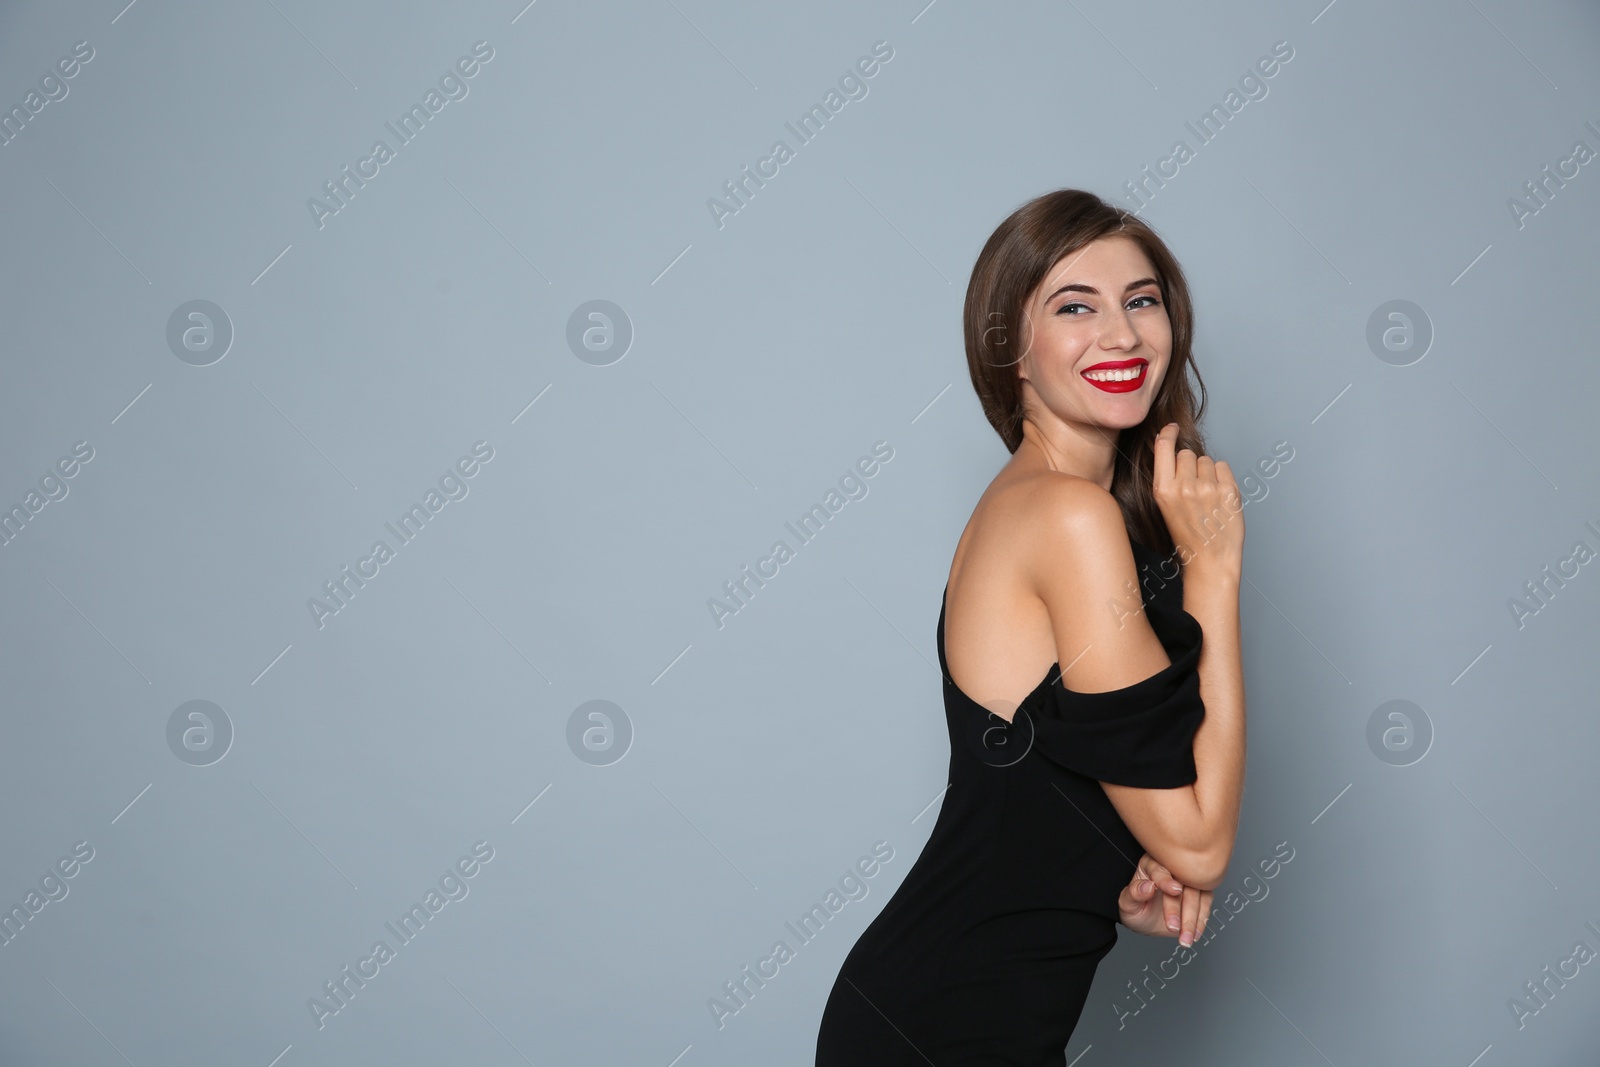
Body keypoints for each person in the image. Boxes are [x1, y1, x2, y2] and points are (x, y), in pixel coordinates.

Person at [814, 189, 1247, 1065]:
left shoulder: (1050, 507)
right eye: (1075, 306)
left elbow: (1035, 786)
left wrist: (1109, 868)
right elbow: (1200, 842)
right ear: (1009, 347)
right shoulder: (1067, 520)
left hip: (951, 1009)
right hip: (946, 1024)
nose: (1122, 335)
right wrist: (1215, 569)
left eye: (1142, 299)